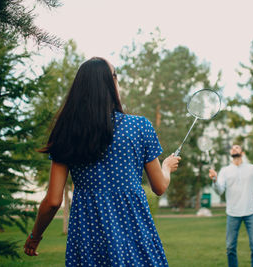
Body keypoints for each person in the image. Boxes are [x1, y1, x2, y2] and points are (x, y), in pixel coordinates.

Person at [24, 57, 181, 266]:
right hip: (134, 233)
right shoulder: (140, 127)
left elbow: (53, 201)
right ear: (111, 83)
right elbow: (160, 186)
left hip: (88, 237)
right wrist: (166, 167)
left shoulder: (66, 132)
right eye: (115, 76)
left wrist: (35, 237)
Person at [209, 144, 253, 267]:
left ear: (242, 152)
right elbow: (219, 190)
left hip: (250, 213)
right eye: (232, 148)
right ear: (230, 153)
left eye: (237, 147)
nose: (234, 149)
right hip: (232, 214)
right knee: (230, 248)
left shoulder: (252, 169)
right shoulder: (225, 171)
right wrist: (214, 180)